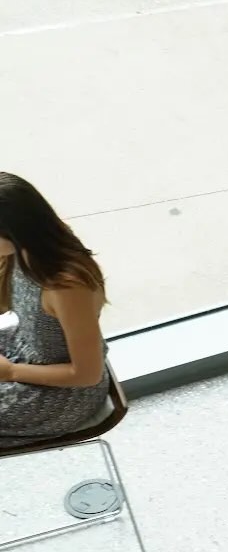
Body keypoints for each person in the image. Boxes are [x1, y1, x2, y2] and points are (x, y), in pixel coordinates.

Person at [0, 173, 113, 449]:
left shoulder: (67, 286)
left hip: (63, 392)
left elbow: (87, 374)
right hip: (26, 351)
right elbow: (5, 301)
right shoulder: (23, 250)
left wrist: (11, 372)